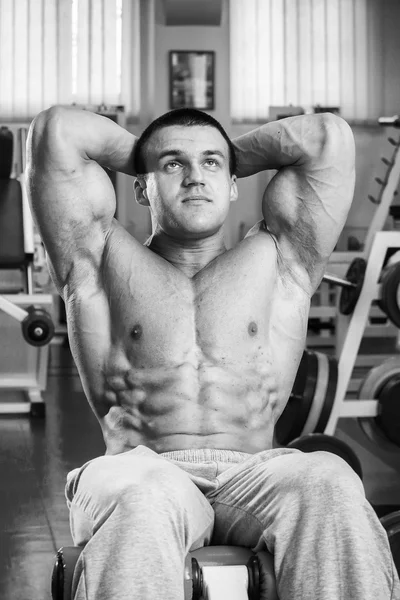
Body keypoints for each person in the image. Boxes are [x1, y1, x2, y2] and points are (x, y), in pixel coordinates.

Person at [26, 106, 400, 600]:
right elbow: (59, 133)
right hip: (142, 465)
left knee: (329, 479)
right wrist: (152, 156)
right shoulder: (97, 259)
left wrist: (221, 153)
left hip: (254, 473)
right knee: (144, 495)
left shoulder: (280, 259)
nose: (195, 177)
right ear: (142, 187)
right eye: (174, 165)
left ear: (231, 183)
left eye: (211, 165)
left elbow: (327, 137)